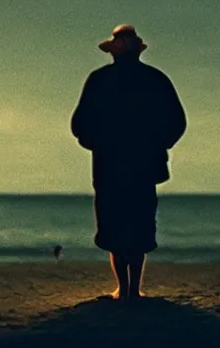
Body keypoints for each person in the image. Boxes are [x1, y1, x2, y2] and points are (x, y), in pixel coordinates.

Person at [71, 24, 187, 301]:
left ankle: (125, 288)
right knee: (138, 223)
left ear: (113, 52)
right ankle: (131, 289)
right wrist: (158, 144)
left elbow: (79, 124)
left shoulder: (99, 80)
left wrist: (95, 143)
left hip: (110, 164)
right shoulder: (155, 79)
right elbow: (177, 122)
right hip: (141, 165)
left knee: (116, 224)